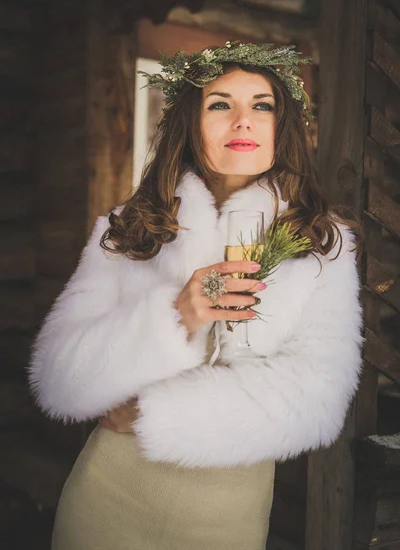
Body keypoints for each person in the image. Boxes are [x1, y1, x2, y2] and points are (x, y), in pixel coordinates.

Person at [28, 41, 364, 550]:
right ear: (191, 123)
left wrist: (156, 416)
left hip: (228, 506)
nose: (243, 121)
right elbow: (57, 375)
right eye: (220, 104)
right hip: (109, 488)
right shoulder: (131, 229)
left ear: (283, 126)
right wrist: (177, 314)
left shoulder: (321, 244)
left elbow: (320, 392)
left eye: (262, 105)